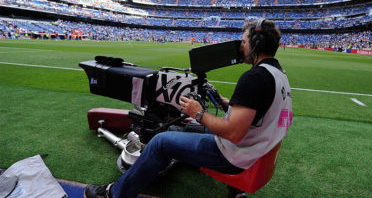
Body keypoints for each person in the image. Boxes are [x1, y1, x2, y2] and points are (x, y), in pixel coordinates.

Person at [84, 19, 293, 198]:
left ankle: (112, 194)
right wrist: (231, 105)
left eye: (245, 42)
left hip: (234, 155)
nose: (242, 47)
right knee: (178, 130)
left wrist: (198, 113)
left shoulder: (254, 77)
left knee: (160, 142)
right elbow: (267, 114)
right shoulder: (279, 75)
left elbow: (234, 133)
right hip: (256, 149)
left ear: (256, 45)